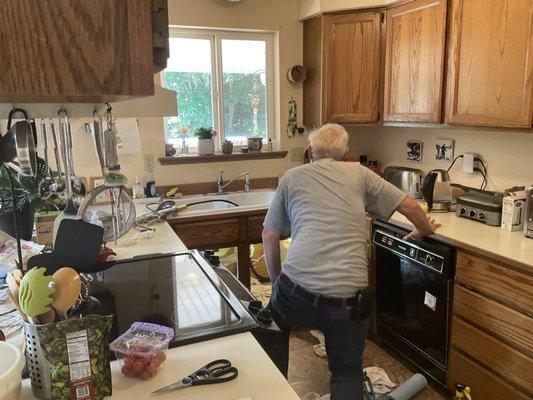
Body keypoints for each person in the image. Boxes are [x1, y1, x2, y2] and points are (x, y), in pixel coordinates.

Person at [262, 123, 440, 400]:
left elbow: (269, 234)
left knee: (272, 327)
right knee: (346, 373)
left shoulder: (291, 176)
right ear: (346, 152)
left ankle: (274, 390)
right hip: (346, 301)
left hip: (296, 292)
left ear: (310, 152)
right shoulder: (360, 173)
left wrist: (276, 285)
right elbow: (411, 207)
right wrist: (426, 229)